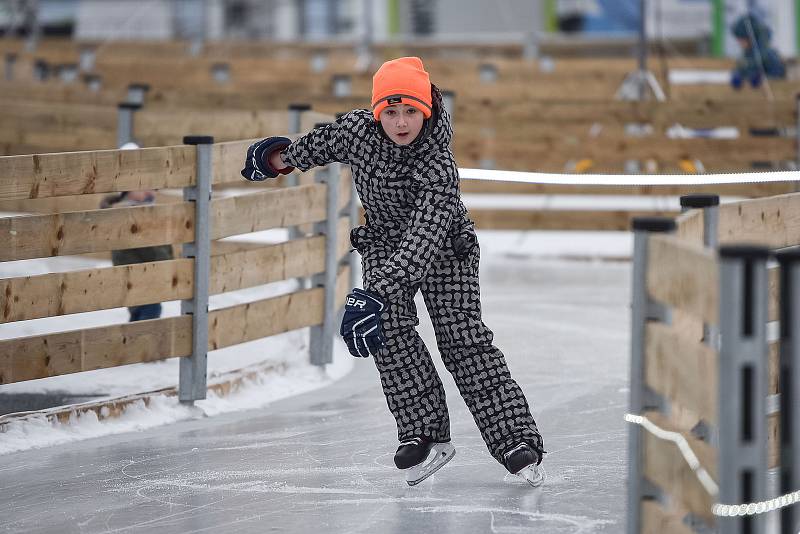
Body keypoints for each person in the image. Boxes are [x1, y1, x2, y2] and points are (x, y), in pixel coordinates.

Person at [241, 57, 545, 487]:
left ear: (425, 111)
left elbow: (426, 233)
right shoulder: (357, 132)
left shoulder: (436, 157)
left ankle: (514, 437)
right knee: (387, 328)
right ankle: (423, 430)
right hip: (383, 241)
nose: (401, 123)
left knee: (463, 340)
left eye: (410, 112)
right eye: (390, 111)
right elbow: (320, 144)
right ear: (376, 111)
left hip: (444, 248)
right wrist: (280, 158)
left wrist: (376, 288)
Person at [99, 188, 174, 322]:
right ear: (128, 191)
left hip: (141, 281)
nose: (150, 193)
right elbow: (157, 253)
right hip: (140, 280)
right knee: (148, 317)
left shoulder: (140, 214)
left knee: (139, 319)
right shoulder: (130, 216)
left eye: (153, 189)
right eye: (144, 188)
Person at [730, 13, 786, 90]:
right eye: (739, 40)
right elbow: (742, 68)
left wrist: (763, 78)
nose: (740, 43)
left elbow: (778, 74)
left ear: (751, 38)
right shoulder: (746, 54)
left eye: (742, 39)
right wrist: (737, 75)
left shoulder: (768, 55)